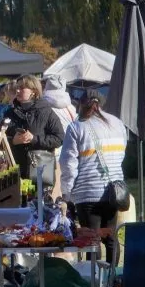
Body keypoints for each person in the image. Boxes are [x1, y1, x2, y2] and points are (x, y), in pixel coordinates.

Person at [59, 89, 127, 263]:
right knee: (111, 237)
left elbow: (69, 165)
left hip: (87, 192)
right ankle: (111, 282)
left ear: (80, 104)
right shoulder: (117, 123)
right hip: (114, 191)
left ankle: (95, 283)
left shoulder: (76, 127)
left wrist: (66, 193)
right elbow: (121, 154)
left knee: (91, 240)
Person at [3, 75, 65, 181]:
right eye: (17, 87)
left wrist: (34, 139)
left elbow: (59, 138)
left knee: (39, 197)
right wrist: (12, 141)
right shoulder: (10, 113)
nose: (17, 90)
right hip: (16, 170)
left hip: (41, 169)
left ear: (34, 91)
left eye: (22, 88)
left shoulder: (46, 111)